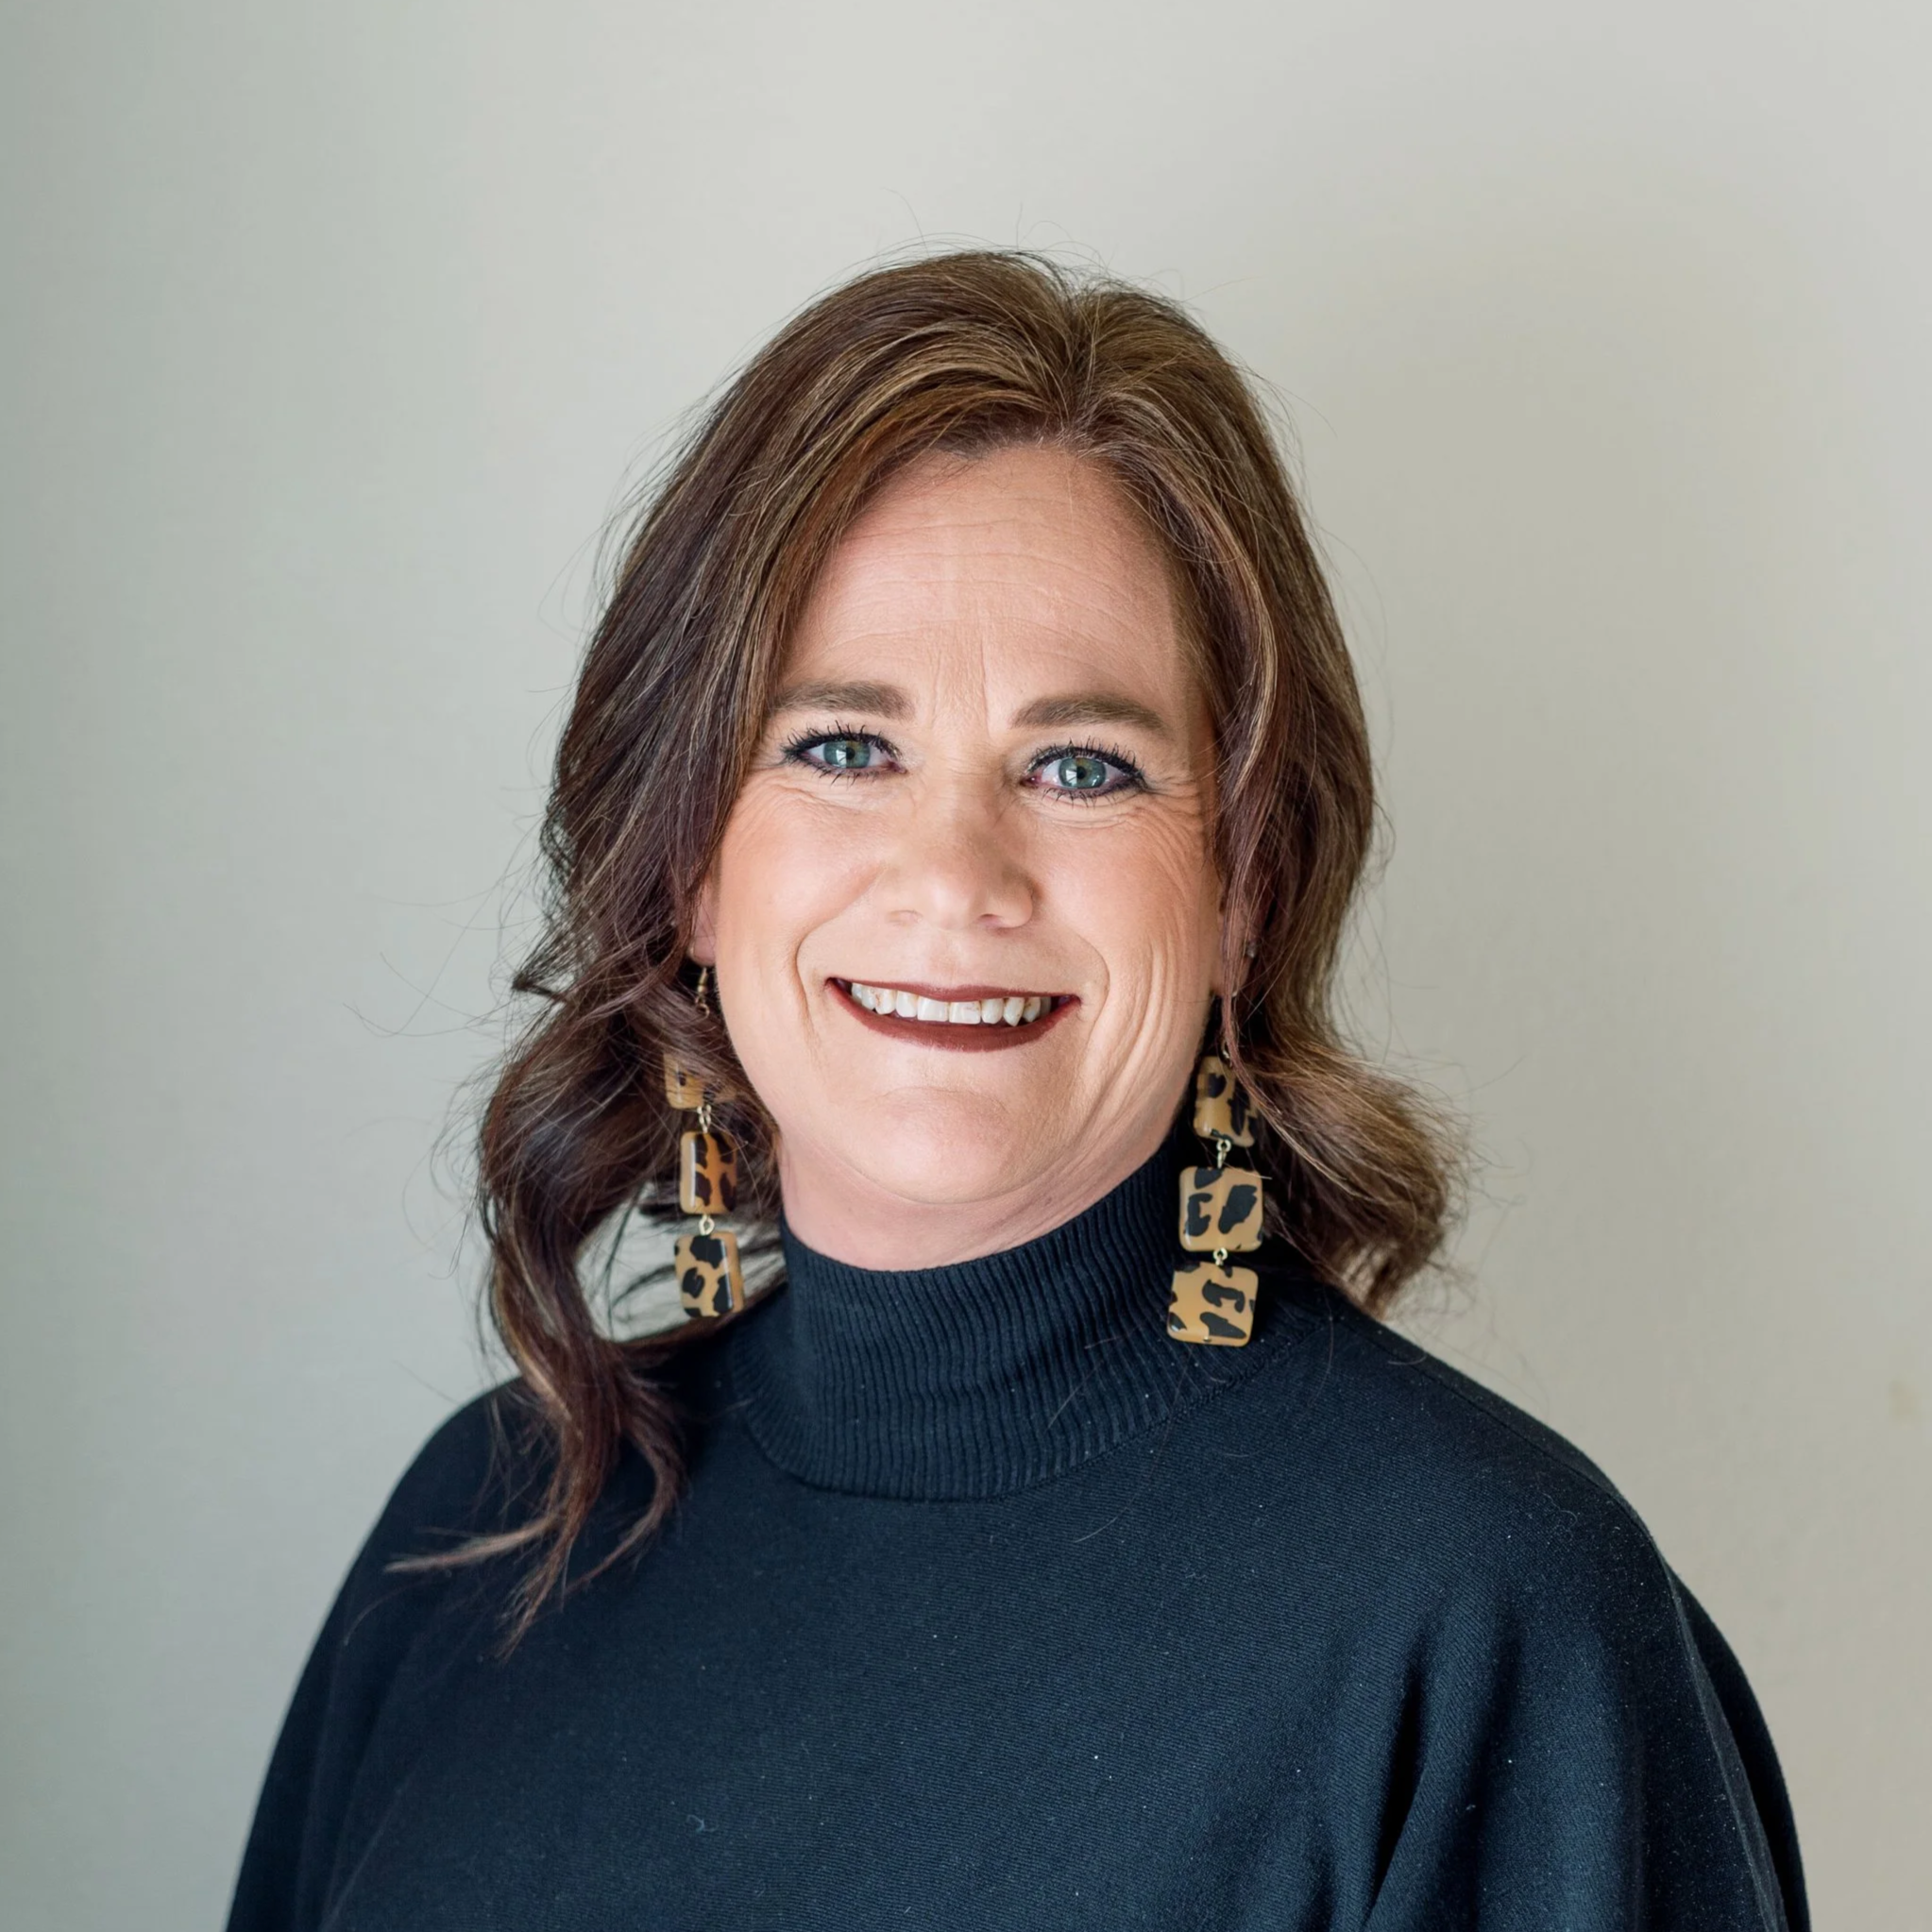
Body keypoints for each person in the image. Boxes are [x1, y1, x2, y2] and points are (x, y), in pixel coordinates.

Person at [226, 251, 1806, 1930]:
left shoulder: (1488, 1622)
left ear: (1242, 890)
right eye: (842, 745)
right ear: (689, 857)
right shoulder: (481, 1537)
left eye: (1082, 764)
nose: (954, 873)